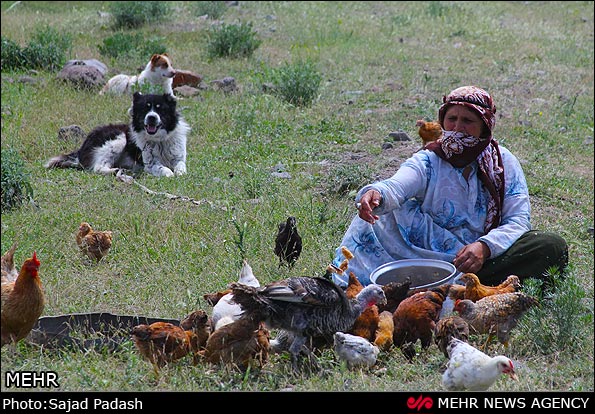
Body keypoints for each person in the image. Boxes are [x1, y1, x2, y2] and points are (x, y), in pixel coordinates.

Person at [332, 85, 568, 287]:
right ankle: (454, 288)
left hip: (483, 258)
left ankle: (467, 287)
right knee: (389, 214)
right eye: (451, 119)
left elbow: (517, 220)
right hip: (431, 258)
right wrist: (377, 194)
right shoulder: (429, 160)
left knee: (549, 246)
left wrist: (484, 247)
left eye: (467, 121)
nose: (457, 128)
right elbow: (398, 185)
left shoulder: (503, 163)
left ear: (485, 126)